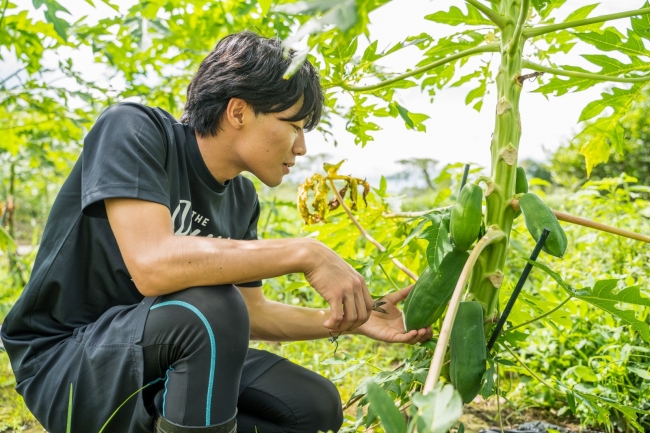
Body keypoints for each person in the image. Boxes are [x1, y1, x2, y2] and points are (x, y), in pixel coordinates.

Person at [1, 31, 432, 433]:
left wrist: (350, 322)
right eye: (294, 126)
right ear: (238, 111)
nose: (301, 148)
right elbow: (152, 264)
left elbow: (252, 314)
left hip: (158, 358)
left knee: (313, 406)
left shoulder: (241, 198)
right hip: (68, 362)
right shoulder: (134, 129)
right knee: (210, 305)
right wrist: (306, 252)